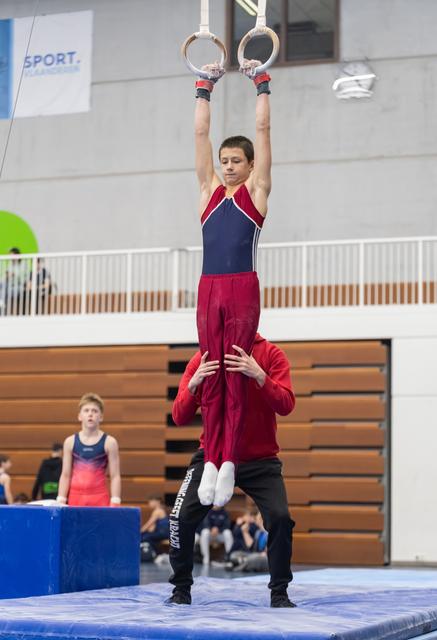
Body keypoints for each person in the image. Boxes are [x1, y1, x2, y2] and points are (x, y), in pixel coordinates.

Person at [193, 58, 273, 507]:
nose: (226, 167)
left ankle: (230, 463)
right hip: (208, 287)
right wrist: (204, 87)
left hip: (242, 287)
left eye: (235, 161)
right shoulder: (207, 192)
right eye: (223, 162)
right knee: (211, 373)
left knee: (235, 372)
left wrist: (260, 83)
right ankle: (211, 457)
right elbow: (199, 136)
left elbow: (263, 131)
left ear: (250, 166)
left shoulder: (256, 192)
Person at [167, 333, 296, 608]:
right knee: (179, 517)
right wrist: (193, 383)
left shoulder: (271, 354)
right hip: (213, 455)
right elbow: (179, 416)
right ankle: (180, 589)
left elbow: (286, 405)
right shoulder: (202, 357)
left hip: (259, 458)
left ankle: (280, 592)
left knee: (280, 518)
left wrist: (260, 375)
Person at [57, 393, 121, 507]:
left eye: (94, 411)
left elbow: (115, 475)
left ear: (101, 417)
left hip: (99, 496)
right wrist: (61, 498)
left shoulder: (109, 442)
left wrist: (115, 500)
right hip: (75, 496)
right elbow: (65, 474)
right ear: (79, 416)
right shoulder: (70, 442)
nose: (90, 414)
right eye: (86, 411)